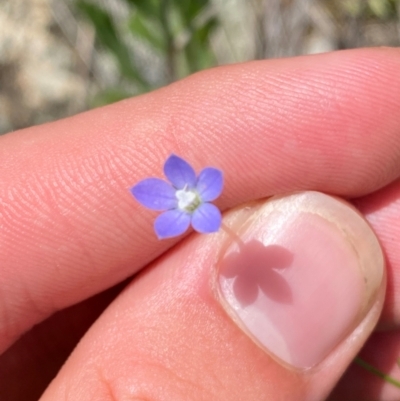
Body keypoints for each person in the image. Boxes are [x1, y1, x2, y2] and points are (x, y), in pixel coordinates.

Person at [0, 47, 400, 401]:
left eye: (190, 194)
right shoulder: (192, 212)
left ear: (195, 188)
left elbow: (207, 190)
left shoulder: (205, 201)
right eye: (183, 196)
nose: (187, 198)